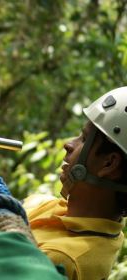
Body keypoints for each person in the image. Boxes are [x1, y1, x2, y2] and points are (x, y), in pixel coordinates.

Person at [22, 87, 127, 279]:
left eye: (84, 139)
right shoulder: (49, 206)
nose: (68, 144)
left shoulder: (62, 260)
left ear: (109, 163)